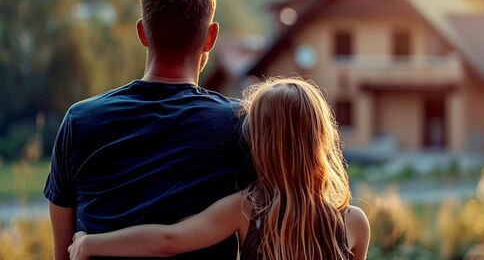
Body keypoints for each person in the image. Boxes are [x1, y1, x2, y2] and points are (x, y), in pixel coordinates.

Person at [44, 0, 255, 260]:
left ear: (142, 32)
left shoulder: (79, 122)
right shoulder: (241, 125)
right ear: (211, 37)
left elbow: (63, 253)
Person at [67, 77, 370, 260]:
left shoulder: (249, 211)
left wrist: (90, 243)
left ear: (259, 144)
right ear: (322, 139)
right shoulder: (354, 223)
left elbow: (168, 240)